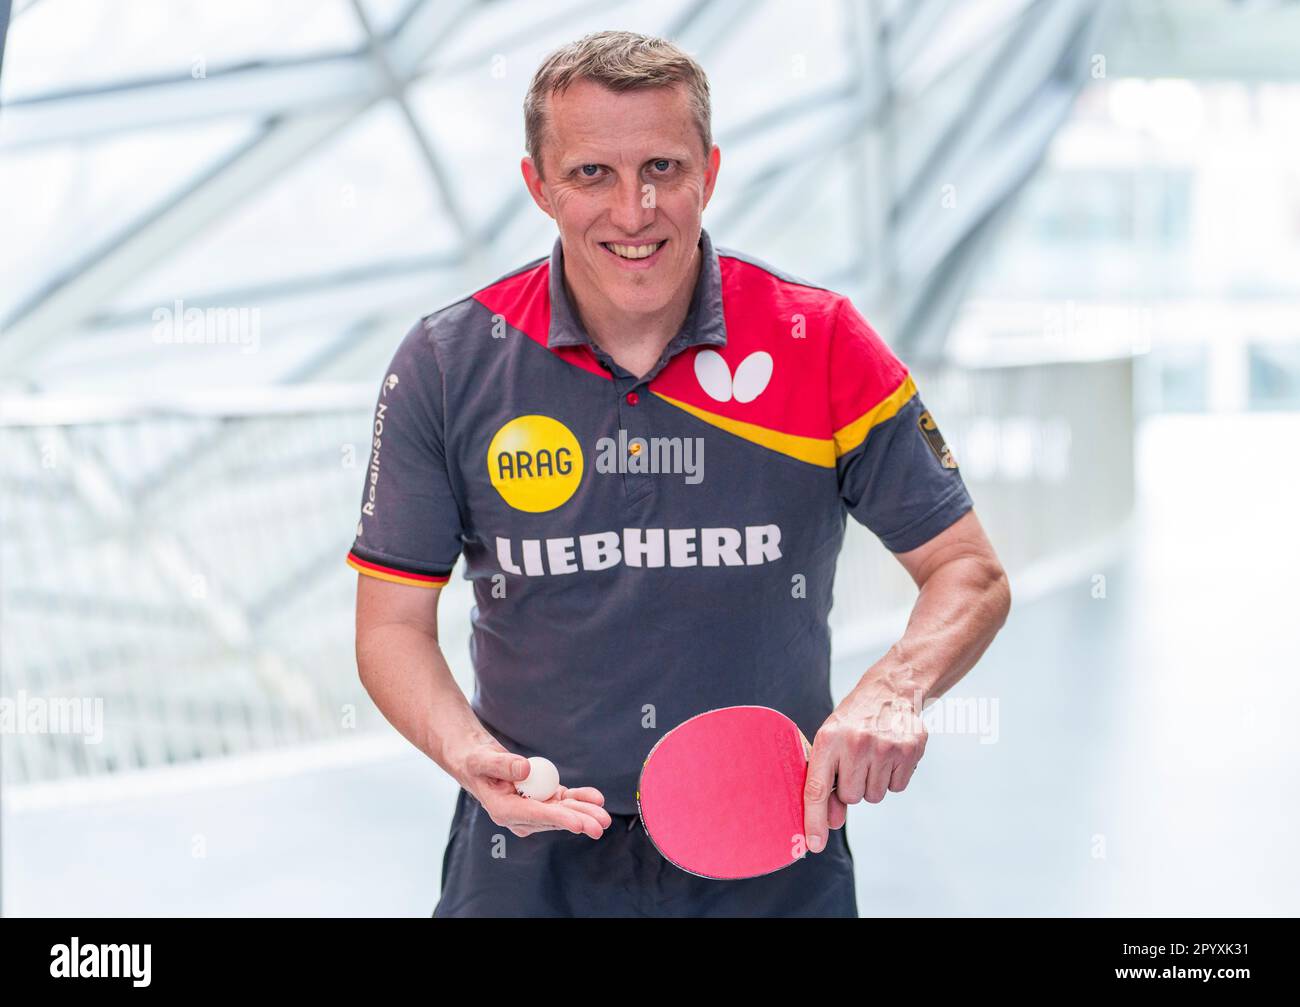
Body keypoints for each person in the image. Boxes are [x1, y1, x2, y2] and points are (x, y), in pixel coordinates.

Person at [348, 30, 1011, 918]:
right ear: (538, 186)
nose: (634, 209)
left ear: (711, 172)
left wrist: (893, 688)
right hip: (525, 855)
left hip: (771, 843)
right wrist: (465, 751)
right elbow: (391, 624)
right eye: (592, 175)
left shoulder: (821, 342)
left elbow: (969, 570)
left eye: (664, 166)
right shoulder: (447, 361)